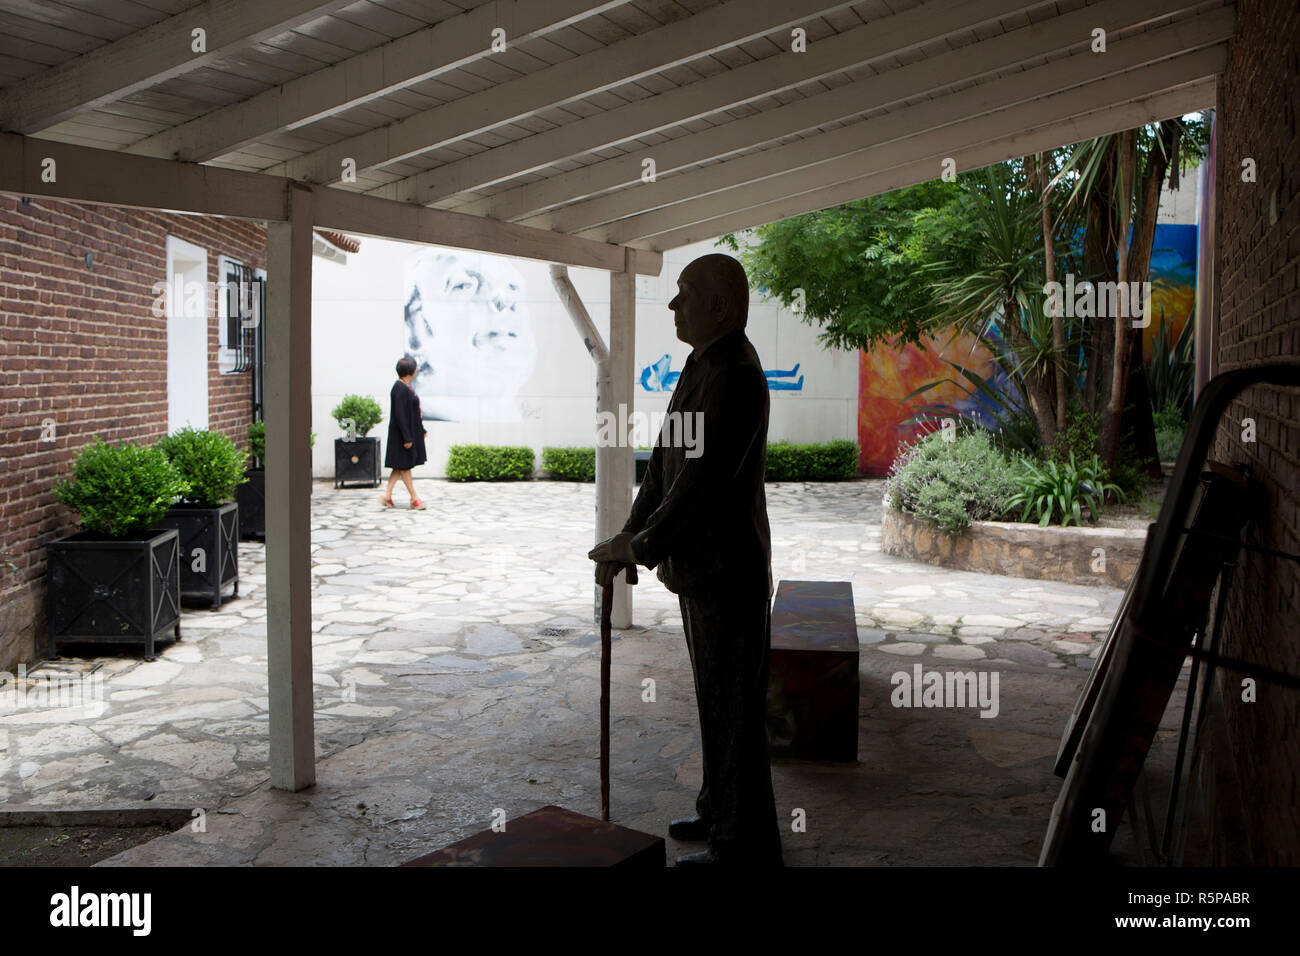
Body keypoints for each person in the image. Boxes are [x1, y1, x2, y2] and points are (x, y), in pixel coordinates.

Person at [588, 253, 782, 866]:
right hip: (705, 572)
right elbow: (664, 471)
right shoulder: (703, 364)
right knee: (715, 702)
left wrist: (641, 547)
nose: (674, 305)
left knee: (735, 715)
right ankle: (718, 809)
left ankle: (742, 847)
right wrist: (627, 535)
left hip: (730, 573)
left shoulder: (735, 375)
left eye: (686, 293)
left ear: (721, 307)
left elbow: (702, 486)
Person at [382, 356, 428, 509]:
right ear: (410, 371)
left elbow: (412, 413)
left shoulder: (404, 387)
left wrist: (421, 430)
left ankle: (387, 496)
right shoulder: (399, 389)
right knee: (405, 466)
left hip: (406, 434)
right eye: (415, 368)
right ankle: (414, 498)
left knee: (400, 465)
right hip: (402, 436)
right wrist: (407, 437)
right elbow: (400, 415)